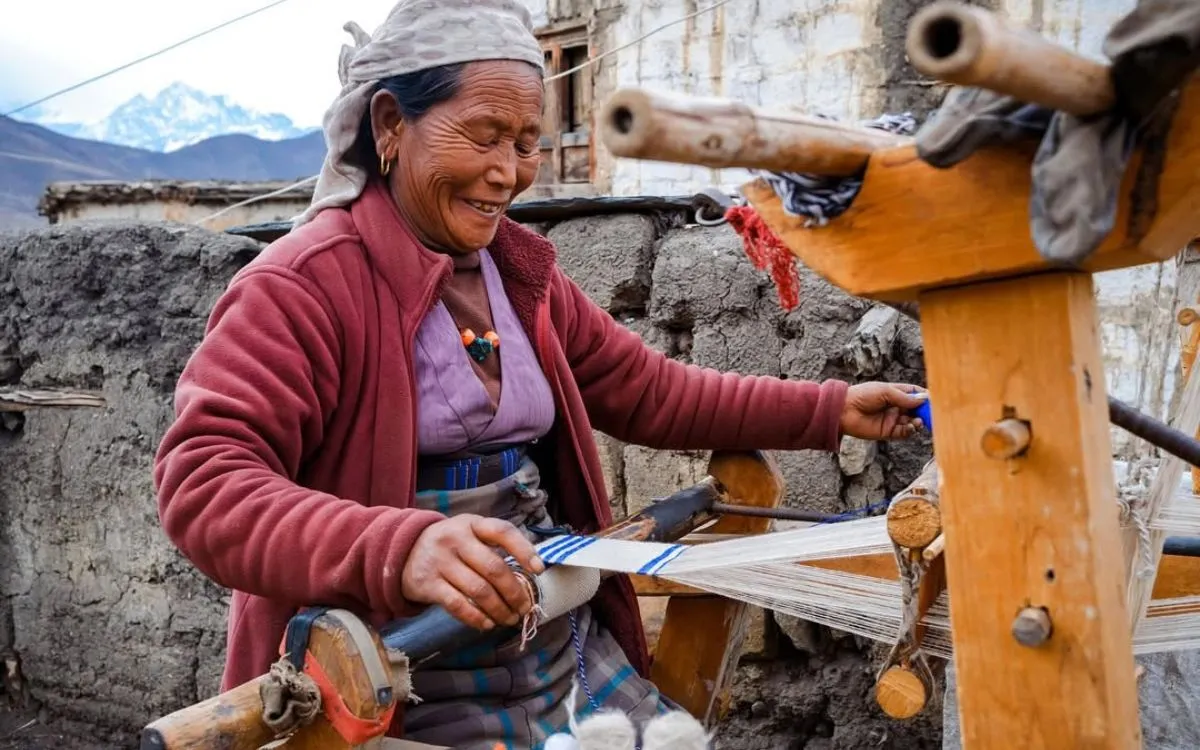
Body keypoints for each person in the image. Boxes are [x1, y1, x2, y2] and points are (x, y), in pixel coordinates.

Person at [152, 0, 928, 747]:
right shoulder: (302, 285)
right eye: (484, 136)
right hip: (394, 680)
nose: (508, 172)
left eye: (526, 142)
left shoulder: (516, 274)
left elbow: (649, 392)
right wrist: (400, 548)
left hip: (549, 647)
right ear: (391, 125)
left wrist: (831, 411)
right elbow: (204, 483)